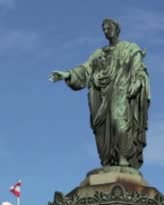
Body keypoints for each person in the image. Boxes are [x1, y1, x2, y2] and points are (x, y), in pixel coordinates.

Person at [49, 18, 150, 169]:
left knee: (119, 122)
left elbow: (139, 69)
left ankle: (123, 158)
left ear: (116, 29)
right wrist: (68, 75)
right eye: (103, 28)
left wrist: (137, 82)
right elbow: (85, 69)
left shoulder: (130, 48)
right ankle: (107, 160)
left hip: (121, 92)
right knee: (100, 129)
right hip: (101, 96)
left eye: (108, 27)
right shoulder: (98, 53)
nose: (105, 31)